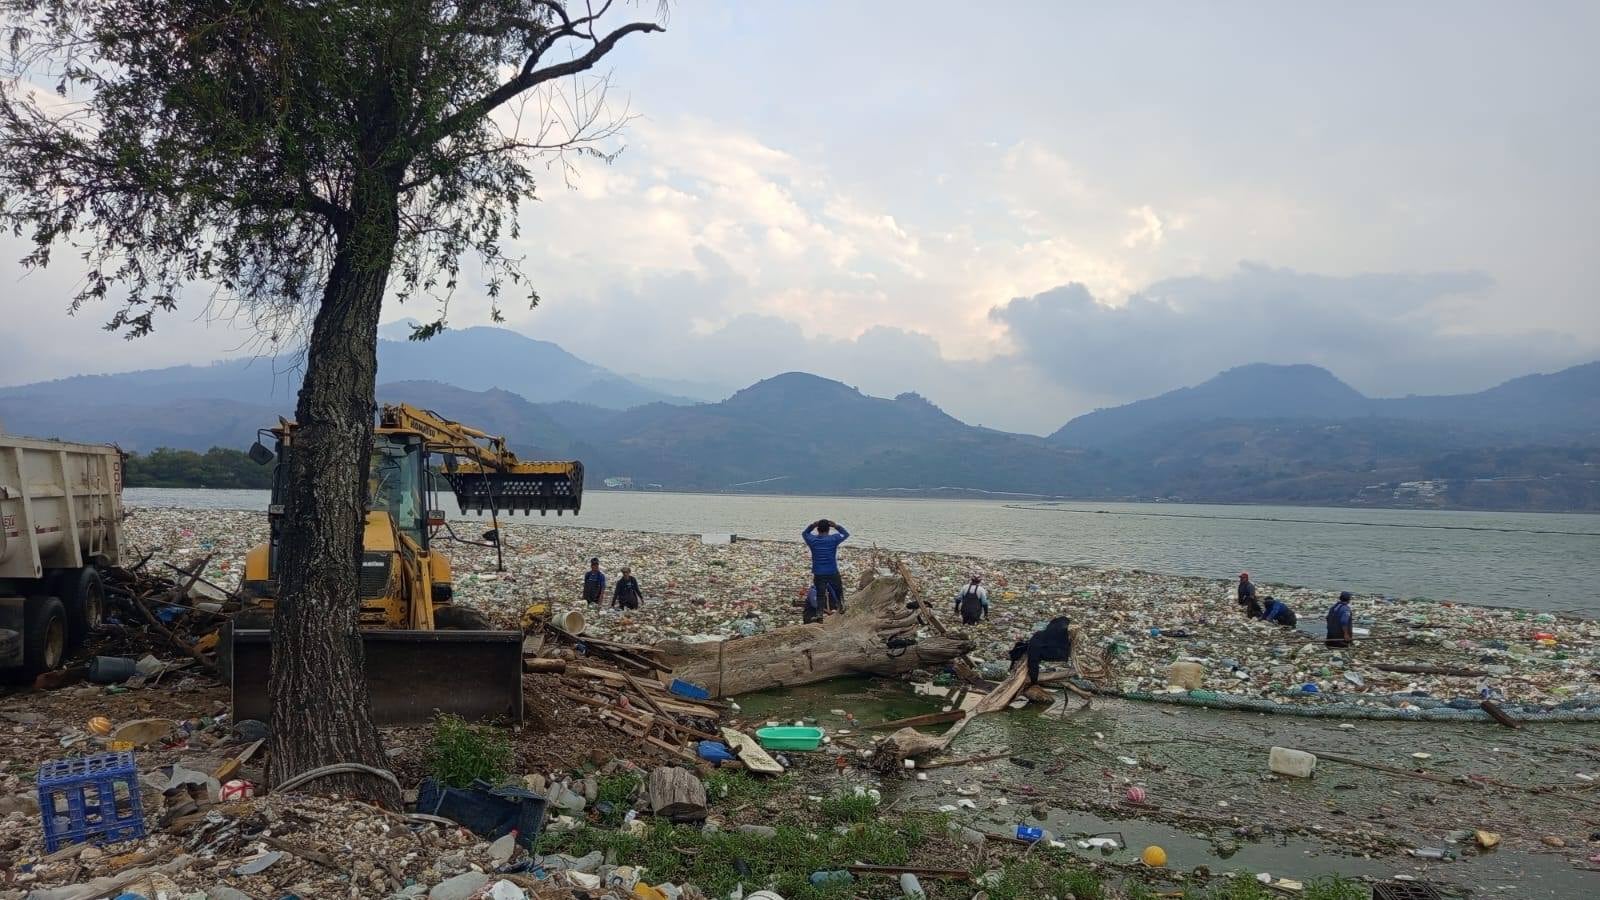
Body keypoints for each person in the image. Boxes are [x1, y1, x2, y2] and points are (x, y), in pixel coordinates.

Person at [802, 518, 850, 614]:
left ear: (817, 529)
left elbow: (804, 534)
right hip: (832, 571)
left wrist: (812, 525)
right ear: (829, 529)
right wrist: (836, 526)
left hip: (818, 572)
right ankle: (841, 607)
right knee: (838, 590)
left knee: (820, 594)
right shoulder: (833, 539)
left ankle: (819, 614)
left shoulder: (813, 540)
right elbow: (846, 534)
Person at [1008, 616, 1073, 684]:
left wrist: (1034, 681)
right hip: (1060, 654)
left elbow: (1033, 661)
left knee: (1033, 655)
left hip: (1050, 653)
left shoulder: (1040, 637)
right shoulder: (1061, 634)